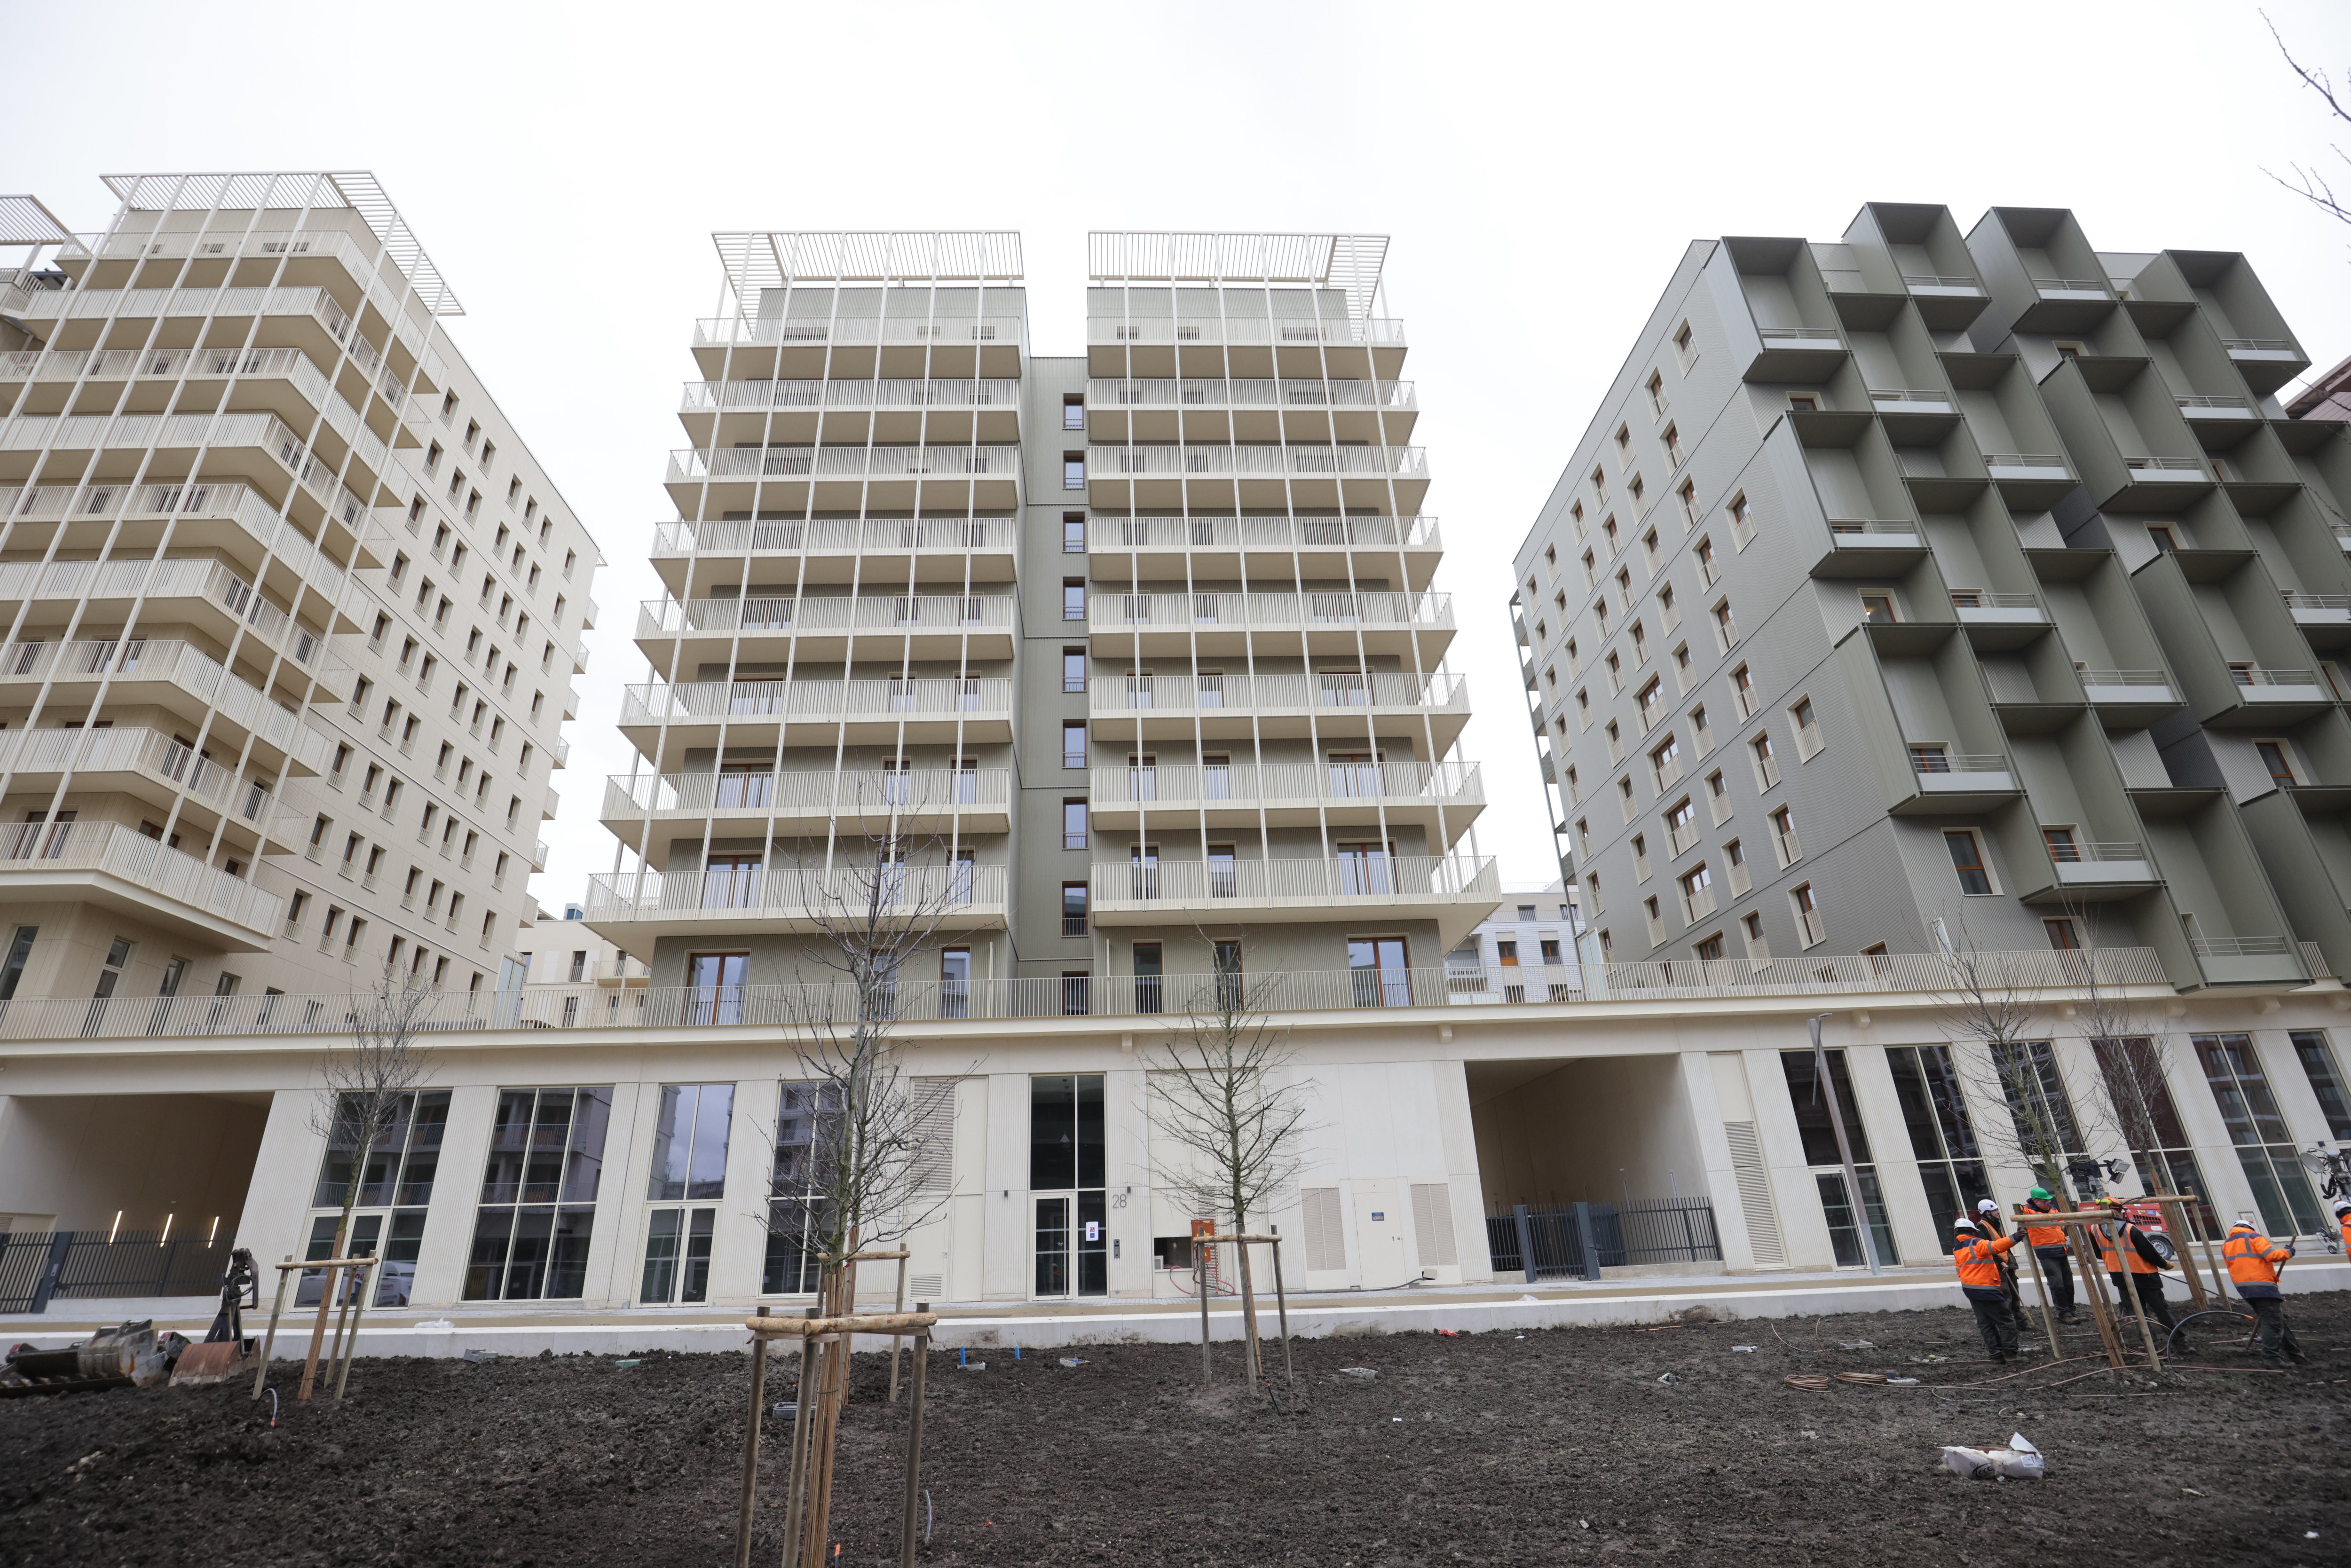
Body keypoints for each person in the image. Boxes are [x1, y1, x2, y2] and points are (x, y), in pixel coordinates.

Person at [2094, 1199, 2181, 1348]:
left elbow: (2098, 1254)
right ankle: (2179, 1342)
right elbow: (2148, 1251)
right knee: (2160, 1309)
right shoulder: (2130, 1229)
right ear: (2117, 1212)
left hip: (2120, 1276)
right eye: (2121, 1211)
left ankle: (2150, 1344)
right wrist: (2163, 1264)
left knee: (2137, 1312)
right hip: (2144, 1275)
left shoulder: (2095, 1230)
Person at [2222, 1220, 2305, 1365]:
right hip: (2262, 1285)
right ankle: (2272, 1358)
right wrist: (2288, 1252)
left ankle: (2296, 1356)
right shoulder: (2254, 1237)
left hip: (2244, 1288)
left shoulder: (2227, 1244)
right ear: (2249, 1228)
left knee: (2274, 1320)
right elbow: (2272, 1256)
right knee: (2273, 1323)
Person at [1952, 1215, 2022, 1362]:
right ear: (1972, 1231)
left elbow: (1959, 1270)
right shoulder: (1977, 1243)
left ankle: (1996, 1355)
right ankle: (2010, 1353)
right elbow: (1997, 1246)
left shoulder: (1957, 1249)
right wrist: (2016, 1237)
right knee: (2005, 1320)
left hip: (1970, 1289)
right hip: (1986, 1288)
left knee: (1985, 1323)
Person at [2016, 1187, 2079, 1324]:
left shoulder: (2053, 1210)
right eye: (2044, 1202)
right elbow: (2020, 1212)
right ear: (2036, 1201)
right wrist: (2020, 1209)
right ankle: (2064, 1313)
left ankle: (2071, 1311)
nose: (2048, 1204)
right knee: (2058, 1284)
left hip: (2061, 1250)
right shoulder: (2029, 1211)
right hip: (2046, 1252)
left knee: (2068, 1283)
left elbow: (2061, 1225)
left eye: (2048, 1201)